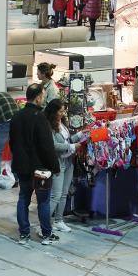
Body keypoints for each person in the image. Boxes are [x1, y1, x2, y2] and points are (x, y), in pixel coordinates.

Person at [10, 84, 60, 245]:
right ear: (38, 97)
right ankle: (46, 234)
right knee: (43, 202)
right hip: (40, 169)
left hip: (22, 167)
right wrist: (55, 166)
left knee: (23, 198)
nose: (44, 98)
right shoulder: (40, 118)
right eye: (43, 95)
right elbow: (47, 146)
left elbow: (12, 143)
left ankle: (24, 234)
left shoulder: (17, 116)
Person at [44, 99, 85, 233]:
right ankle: (43, 223)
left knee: (64, 194)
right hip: (57, 163)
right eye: (60, 111)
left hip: (68, 162)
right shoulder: (48, 126)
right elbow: (54, 146)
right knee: (55, 195)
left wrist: (80, 135)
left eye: (63, 110)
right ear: (53, 112)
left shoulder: (61, 123)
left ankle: (58, 220)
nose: (63, 113)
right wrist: (72, 146)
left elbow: (67, 140)